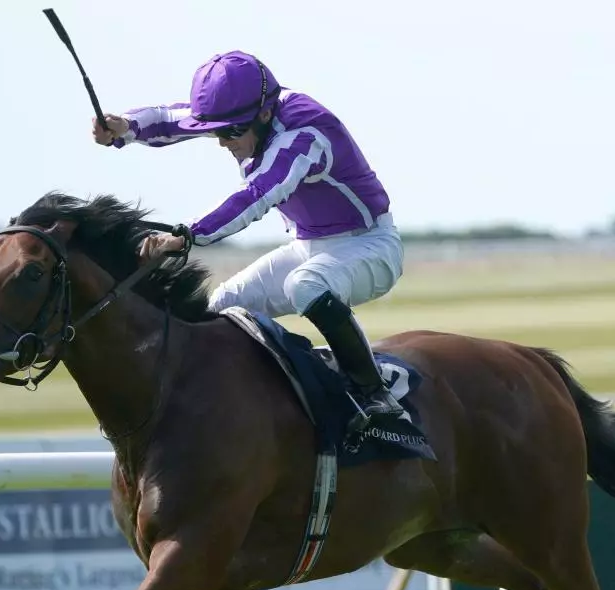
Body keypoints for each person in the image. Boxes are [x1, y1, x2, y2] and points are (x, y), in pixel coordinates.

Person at [91, 50, 405, 433]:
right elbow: (176, 118)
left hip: (369, 247)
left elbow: (257, 194)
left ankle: (374, 393)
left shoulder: (304, 134)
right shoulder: (246, 114)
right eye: (217, 132)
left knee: (304, 285)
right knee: (218, 309)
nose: (223, 142)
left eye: (231, 132)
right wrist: (126, 126)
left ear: (265, 114)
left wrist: (186, 234)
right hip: (309, 247)